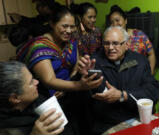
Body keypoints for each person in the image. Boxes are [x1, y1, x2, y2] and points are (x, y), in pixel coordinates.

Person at [16, 6, 103, 135]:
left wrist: (74, 77)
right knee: (61, 130)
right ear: (52, 23)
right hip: (48, 98)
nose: (69, 30)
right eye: (64, 26)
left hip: (69, 91)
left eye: (72, 27)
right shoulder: (40, 47)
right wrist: (79, 85)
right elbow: (49, 80)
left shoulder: (71, 42)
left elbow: (75, 65)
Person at [78, 26, 159, 134]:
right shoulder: (94, 62)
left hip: (135, 119)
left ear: (126, 45)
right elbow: (84, 98)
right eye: (106, 43)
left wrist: (123, 95)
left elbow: (153, 91)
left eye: (116, 43)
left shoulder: (140, 61)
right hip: (106, 123)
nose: (110, 48)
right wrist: (83, 78)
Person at [0, 61, 64, 135]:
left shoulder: (34, 96)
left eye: (33, 78)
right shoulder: (7, 129)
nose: (36, 82)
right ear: (15, 98)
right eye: (31, 82)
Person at [107, 5, 156, 74]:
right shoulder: (111, 40)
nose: (115, 24)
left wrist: (150, 74)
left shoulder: (139, 35)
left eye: (117, 20)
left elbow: (151, 54)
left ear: (125, 20)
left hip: (142, 77)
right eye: (111, 22)